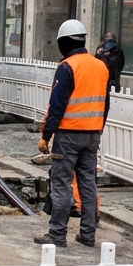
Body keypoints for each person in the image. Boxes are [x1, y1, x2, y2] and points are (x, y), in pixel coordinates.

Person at [35, 19, 111, 248]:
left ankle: (57, 235)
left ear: (63, 42)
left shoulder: (68, 66)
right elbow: (105, 104)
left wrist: (46, 136)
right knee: (88, 185)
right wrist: (98, 127)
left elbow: (57, 105)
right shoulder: (100, 66)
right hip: (92, 135)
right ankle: (88, 236)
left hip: (68, 135)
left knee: (61, 183)